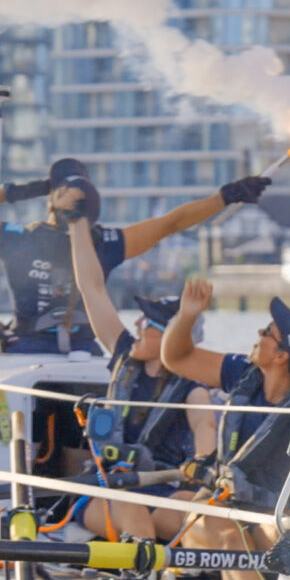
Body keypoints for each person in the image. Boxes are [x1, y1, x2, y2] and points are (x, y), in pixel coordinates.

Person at [0, 156, 271, 353]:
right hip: (86, 352)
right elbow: (170, 223)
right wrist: (225, 197)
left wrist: (33, 188)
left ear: (51, 202)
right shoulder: (108, 242)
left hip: (26, 348)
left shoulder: (20, 240)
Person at [160, 278, 290, 580]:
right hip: (222, 512)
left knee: (253, 534)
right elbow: (176, 357)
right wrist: (186, 316)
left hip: (274, 517)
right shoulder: (244, 373)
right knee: (223, 529)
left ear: (282, 355)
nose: (257, 335)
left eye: (265, 333)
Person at [60, 214, 202, 541]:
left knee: (199, 511)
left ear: (173, 337)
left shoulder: (195, 391)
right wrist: (77, 224)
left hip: (164, 491)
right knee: (132, 510)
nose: (137, 325)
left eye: (149, 324)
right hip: (108, 489)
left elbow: (205, 428)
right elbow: (91, 287)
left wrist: (204, 471)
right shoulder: (125, 354)